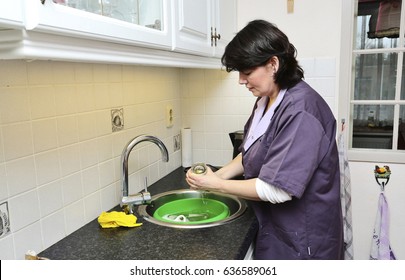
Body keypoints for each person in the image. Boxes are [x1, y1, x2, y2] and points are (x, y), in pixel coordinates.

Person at [186, 19, 344, 260]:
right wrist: (216, 175)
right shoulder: (265, 101)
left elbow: (277, 189)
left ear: (273, 64)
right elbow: (251, 152)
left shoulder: (301, 111)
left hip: (303, 240)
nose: (241, 80)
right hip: (276, 229)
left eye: (247, 72)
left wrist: (215, 185)